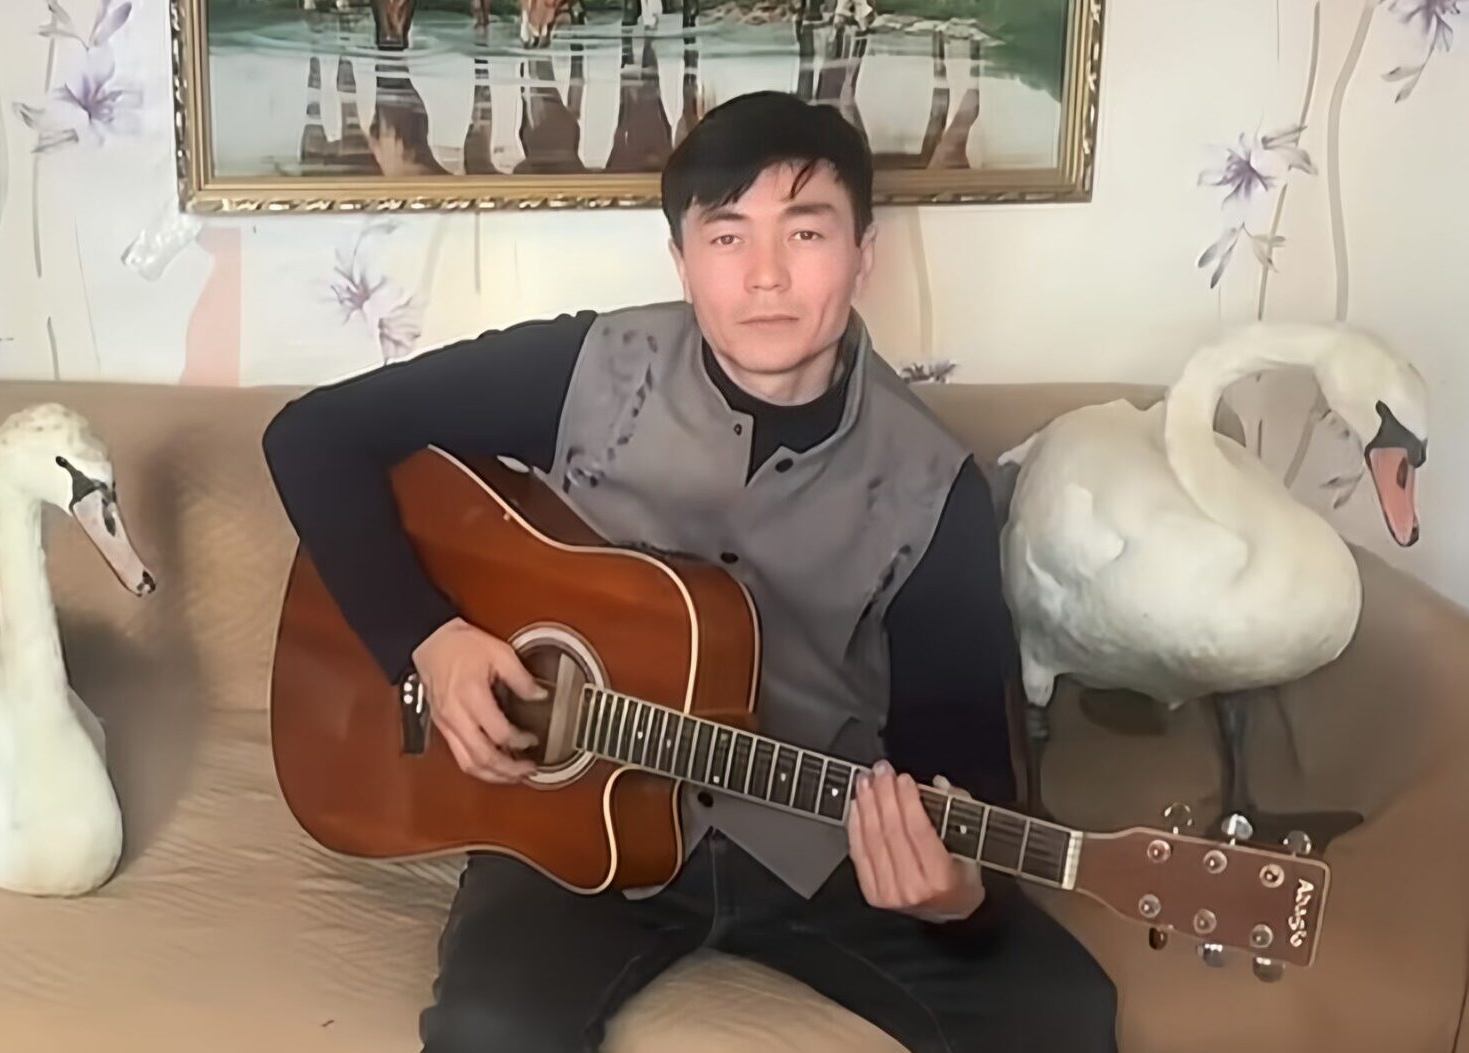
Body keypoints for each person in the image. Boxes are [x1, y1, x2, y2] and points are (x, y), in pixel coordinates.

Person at [260, 90, 1117, 1053]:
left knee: (1064, 1014)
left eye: (805, 232)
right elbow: (312, 436)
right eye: (726, 236)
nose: (765, 275)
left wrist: (956, 892)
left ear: (863, 255)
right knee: (489, 1033)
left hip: (817, 843)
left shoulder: (934, 487)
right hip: (566, 824)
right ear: (681, 259)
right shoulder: (588, 367)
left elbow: (966, 772)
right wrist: (429, 640)